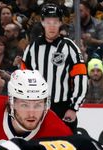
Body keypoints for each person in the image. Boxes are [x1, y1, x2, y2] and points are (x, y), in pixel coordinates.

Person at [21, 3, 87, 133]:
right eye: (48, 22)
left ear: (61, 23)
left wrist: (73, 108)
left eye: (55, 22)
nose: (52, 26)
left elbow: (81, 78)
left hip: (62, 108)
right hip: (37, 108)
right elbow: (24, 78)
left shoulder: (70, 47)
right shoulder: (32, 48)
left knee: (65, 148)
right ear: (42, 22)